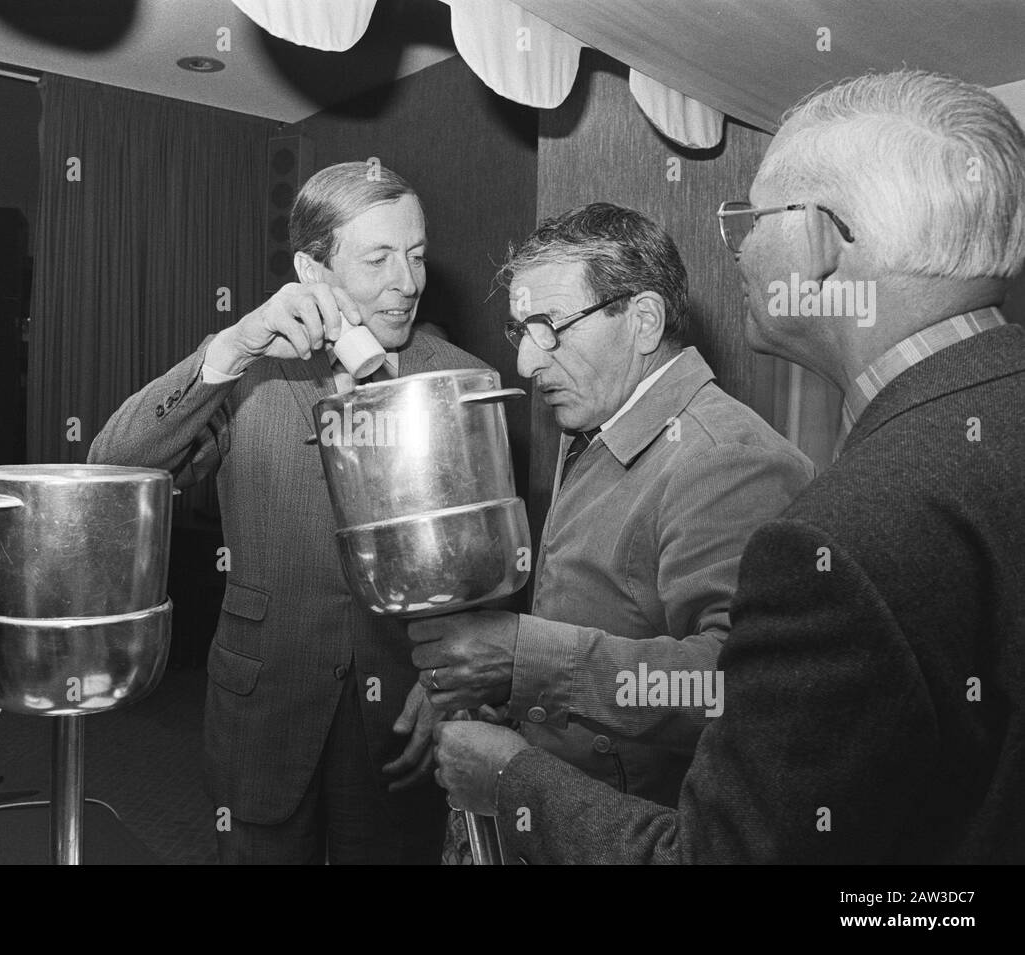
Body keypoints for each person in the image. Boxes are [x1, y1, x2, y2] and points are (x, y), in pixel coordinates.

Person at [434, 69, 1025, 863]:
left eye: (750, 216)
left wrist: (524, 706)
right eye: (519, 330)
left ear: (816, 243)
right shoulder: (592, 431)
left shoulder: (745, 471)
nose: (737, 248)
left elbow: (721, 694)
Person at [89, 161, 488, 864]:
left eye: (417, 255)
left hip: (401, 716)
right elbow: (111, 469)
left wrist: (456, 670)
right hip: (264, 710)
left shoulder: (462, 380)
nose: (407, 281)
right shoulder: (248, 377)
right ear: (312, 267)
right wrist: (229, 349)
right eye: (379, 257)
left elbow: (484, 561)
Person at [408, 204, 813, 819]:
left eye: (550, 327)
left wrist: (524, 660)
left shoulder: (725, 459)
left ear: (643, 320)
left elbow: (735, 688)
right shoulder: (594, 421)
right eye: (523, 331)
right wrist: (505, 686)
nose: (527, 362)